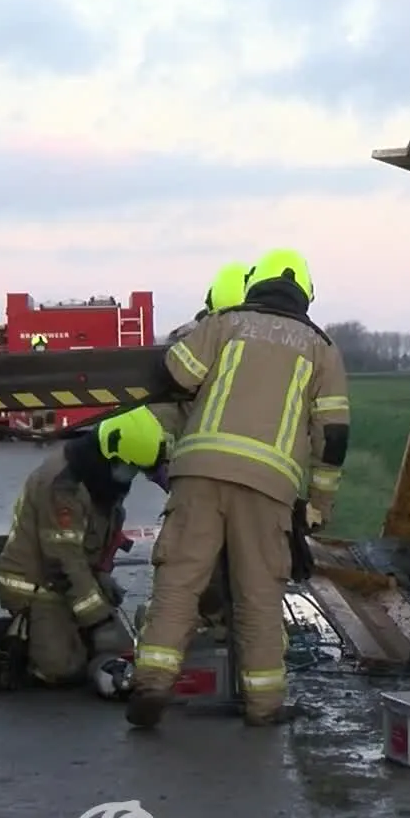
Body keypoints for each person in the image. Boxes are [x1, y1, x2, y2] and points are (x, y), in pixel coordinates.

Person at [126, 247, 351, 729]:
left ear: (256, 285)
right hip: (268, 487)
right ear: (306, 294)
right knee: (258, 595)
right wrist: (319, 503)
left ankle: (151, 684)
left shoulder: (225, 323)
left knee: (179, 582)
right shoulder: (322, 348)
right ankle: (264, 706)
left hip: (199, 471)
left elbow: (176, 372)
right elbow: (333, 435)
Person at [0, 407, 170, 686]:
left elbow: (91, 544)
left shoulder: (101, 479)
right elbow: (63, 560)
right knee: (61, 667)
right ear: (110, 453)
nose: (131, 475)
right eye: (130, 467)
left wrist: (100, 576)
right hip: (38, 587)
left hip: (71, 581)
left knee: (117, 648)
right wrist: (98, 620)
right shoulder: (63, 485)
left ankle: (72, 634)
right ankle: (18, 639)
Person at [152, 261, 254, 637]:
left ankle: (212, 623)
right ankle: (212, 622)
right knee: (210, 556)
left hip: (210, 468)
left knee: (211, 554)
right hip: (207, 468)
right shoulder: (202, 343)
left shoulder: (192, 340)